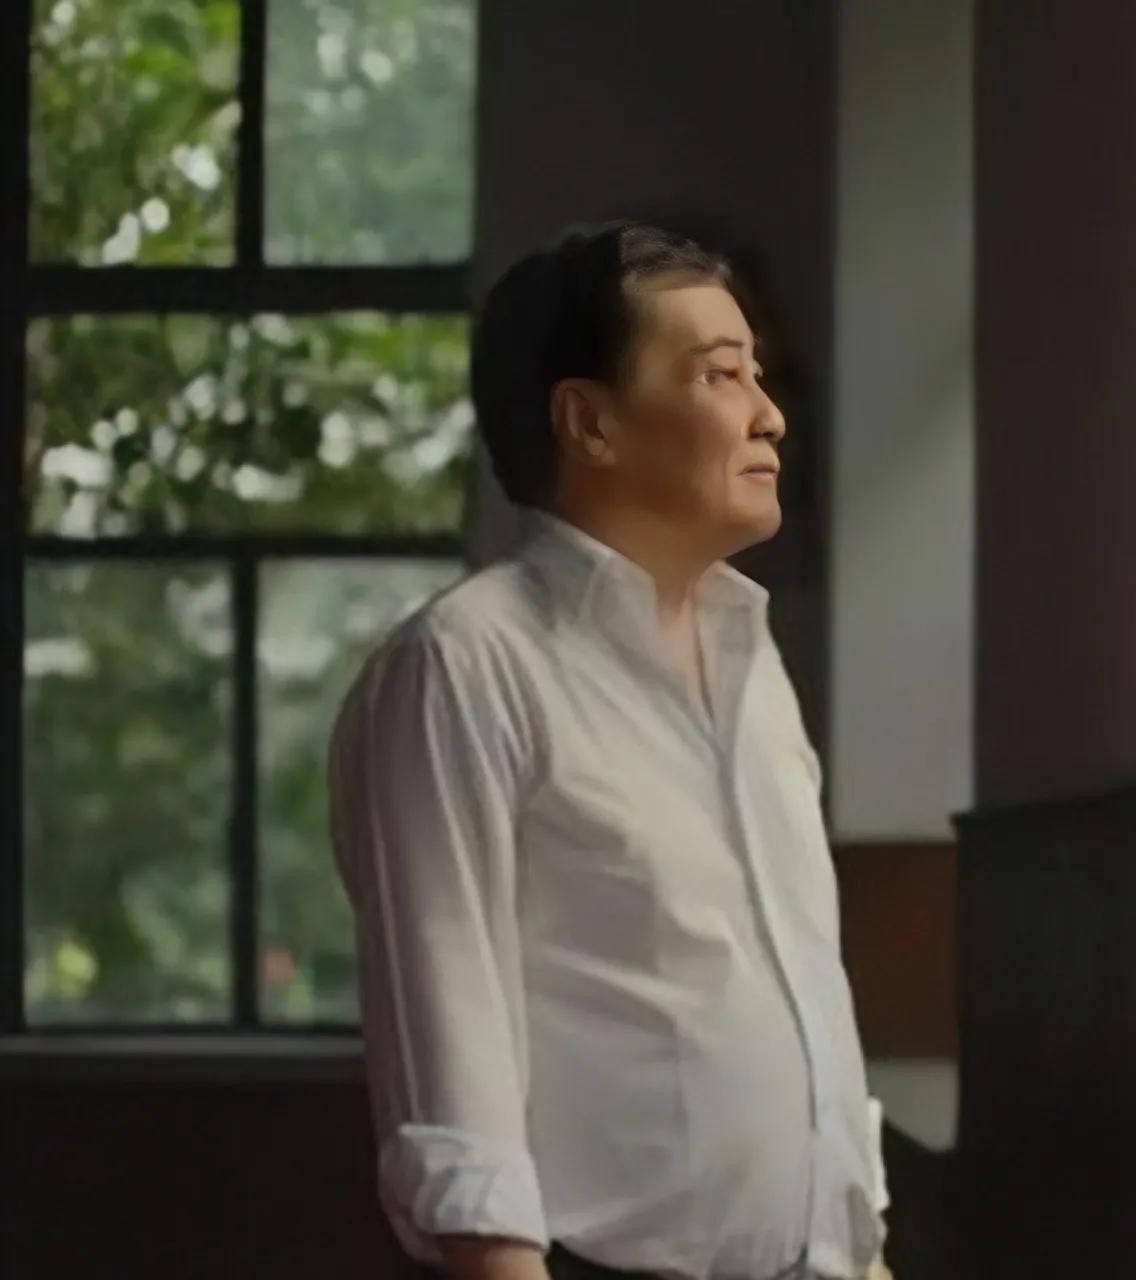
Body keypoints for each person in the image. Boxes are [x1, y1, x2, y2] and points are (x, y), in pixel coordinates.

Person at [328, 220, 892, 1280]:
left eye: (757, 375)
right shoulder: (466, 665)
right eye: (720, 374)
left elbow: (808, 995)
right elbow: (455, 1068)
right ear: (589, 421)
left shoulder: (752, 665)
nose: (768, 414)